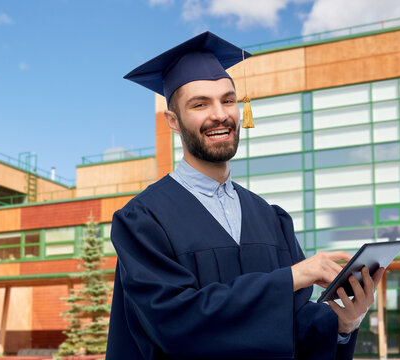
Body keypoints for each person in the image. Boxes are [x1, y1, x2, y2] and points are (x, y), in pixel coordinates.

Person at [105, 31, 385, 360]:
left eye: (227, 100)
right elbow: (175, 326)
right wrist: (291, 278)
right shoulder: (143, 220)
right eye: (200, 104)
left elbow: (293, 327)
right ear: (173, 121)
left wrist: (345, 324)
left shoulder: (271, 218)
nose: (220, 114)